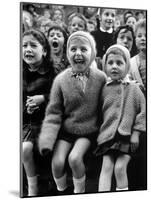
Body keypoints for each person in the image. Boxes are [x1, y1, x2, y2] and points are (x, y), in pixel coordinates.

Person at [38, 31, 106, 194]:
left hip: (89, 131)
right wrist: (47, 140)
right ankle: (62, 191)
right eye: (73, 49)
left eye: (84, 49)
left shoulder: (101, 78)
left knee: (74, 158)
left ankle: (79, 192)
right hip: (67, 130)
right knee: (57, 163)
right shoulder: (61, 80)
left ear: (93, 53)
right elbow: (53, 113)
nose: (78, 53)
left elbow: (108, 105)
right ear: (67, 52)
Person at [94, 44, 146, 192]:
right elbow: (99, 112)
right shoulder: (104, 88)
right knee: (106, 166)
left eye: (119, 63)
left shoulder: (134, 88)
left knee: (120, 167)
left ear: (127, 65)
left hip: (128, 137)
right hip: (108, 136)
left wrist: (136, 133)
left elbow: (143, 112)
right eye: (110, 63)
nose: (114, 67)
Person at [22, 29, 55, 196]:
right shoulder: (18, 72)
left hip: (48, 121)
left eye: (33, 45)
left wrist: (43, 98)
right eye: (24, 45)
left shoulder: (52, 72)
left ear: (44, 50)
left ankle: (48, 181)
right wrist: (25, 109)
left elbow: (61, 98)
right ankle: (31, 185)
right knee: (25, 148)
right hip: (26, 121)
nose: (28, 49)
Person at [130, 19, 146, 96]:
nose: (143, 38)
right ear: (135, 39)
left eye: (146, 35)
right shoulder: (131, 63)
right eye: (139, 36)